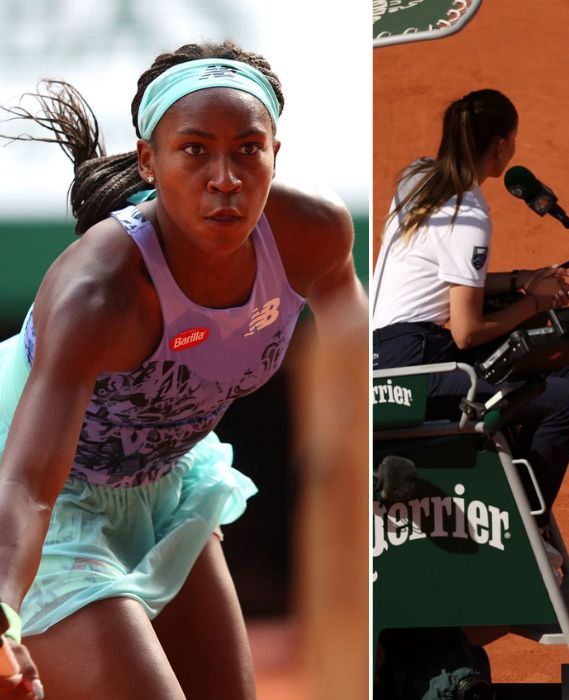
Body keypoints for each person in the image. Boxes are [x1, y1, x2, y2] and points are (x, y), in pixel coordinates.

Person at [0, 41, 365, 699]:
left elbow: (361, 352)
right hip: (34, 503)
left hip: (164, 481)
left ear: (275, 154)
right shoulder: (98, 292)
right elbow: (26, 486)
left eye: (247, 149)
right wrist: (1, 615)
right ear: (149, 160)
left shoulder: (312, 230)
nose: (225, 177)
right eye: (195, 149)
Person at [371, 89, 569, 541]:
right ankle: (524, 528)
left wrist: (521, 280)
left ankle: (507, 470)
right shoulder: (470, 217)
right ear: (502, 147)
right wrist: (537, 301)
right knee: (566, 403)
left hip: (394, 352)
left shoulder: (418, 177)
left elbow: (445, 275)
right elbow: (469, 331)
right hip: (412, 369)